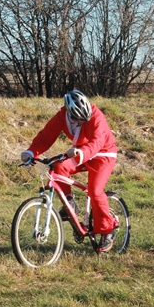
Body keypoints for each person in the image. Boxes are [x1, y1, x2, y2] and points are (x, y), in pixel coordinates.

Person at [21, 90, 118, 253]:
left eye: (83, 120)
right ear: (69, 113)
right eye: (77, 119)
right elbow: (45, 137)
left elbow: (98, 141)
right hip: (80, 152)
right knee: (59, 166)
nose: (80, 123)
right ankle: (69, 204)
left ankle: (107, 231)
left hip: (103, 154)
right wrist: (31, 152)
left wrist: (82, 152)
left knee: (94, 191)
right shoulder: (61, 116)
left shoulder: (97, 116)